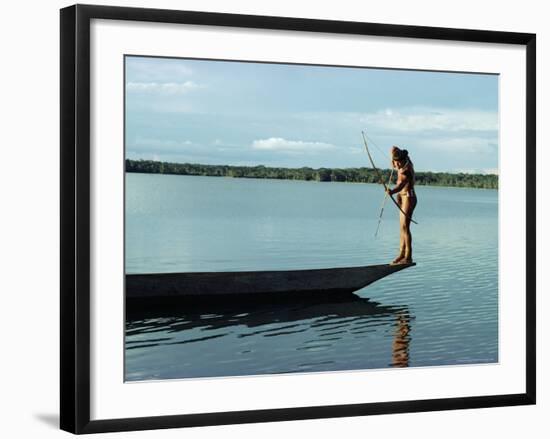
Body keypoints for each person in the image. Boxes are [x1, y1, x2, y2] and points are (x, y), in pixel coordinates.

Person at [386, 146, 417, 265]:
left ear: (403, 160)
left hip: (409, 197)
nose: (396, 165)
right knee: (401, 228)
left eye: (398, 163)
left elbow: (401, 185)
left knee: (405, 227)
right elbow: (393, 148)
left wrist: (392, 192)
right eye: (395, 162)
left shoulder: (407, 169)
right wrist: (393, 155)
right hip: (402, 197)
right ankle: (401, 254)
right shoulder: (401, 162)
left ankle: (408, 257)